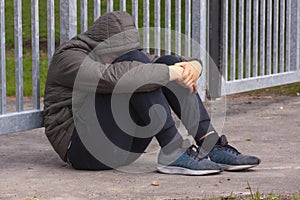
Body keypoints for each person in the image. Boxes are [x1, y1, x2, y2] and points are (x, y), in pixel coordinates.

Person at [44, 11, 260, 175]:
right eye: (116, 54)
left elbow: (161, 65)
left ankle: (209, 144)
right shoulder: (69, 57)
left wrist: (192, 66)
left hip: (123, 148)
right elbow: (112, 77)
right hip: (82, 150)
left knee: (164, 64)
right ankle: (173, 150)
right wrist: (169, 72)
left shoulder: (124, 55)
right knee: (137, 72)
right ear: (99, 45)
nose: (122, 57)